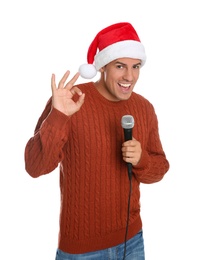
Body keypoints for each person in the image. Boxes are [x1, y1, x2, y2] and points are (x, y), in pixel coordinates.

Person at [24, 22, 170, 260]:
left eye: (135, 66)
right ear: (102, 66)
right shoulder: (70, 101)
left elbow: (160, 169)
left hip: (131, 242)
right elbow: (34, 166)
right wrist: (58, 116)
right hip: (82, 250)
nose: (129, 76)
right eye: (120, 66)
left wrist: (141, 159)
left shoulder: (144, 108)